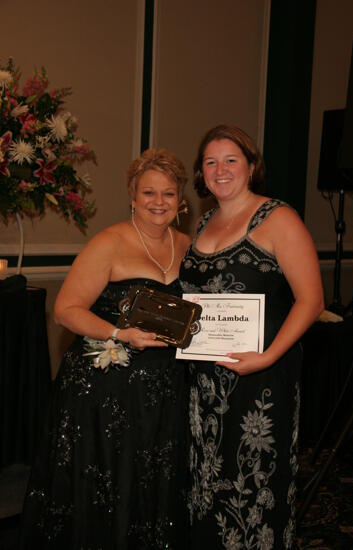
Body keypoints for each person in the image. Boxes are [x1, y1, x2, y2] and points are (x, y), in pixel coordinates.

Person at [19, 148, 191, 549]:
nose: (158, 202)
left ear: (180, 199)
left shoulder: (189, 245)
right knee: (108, 484)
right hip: (106, 392)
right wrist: (120, 332)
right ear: (132, 196)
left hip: (166, 390)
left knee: (152, 483)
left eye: (168, 194)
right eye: (149, 193)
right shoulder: (109, 243)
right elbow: (65, 311)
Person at [179, 125, 324, 549]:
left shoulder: (278, 217)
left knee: (251, 483)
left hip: (260, 379)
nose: (220, 170)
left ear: (251, 166)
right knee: (206, 477)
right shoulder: (204, 221)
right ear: (201, 173)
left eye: (230, 160)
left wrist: (268, 357)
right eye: (210, 162)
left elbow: (311, 300)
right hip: (204, 382)